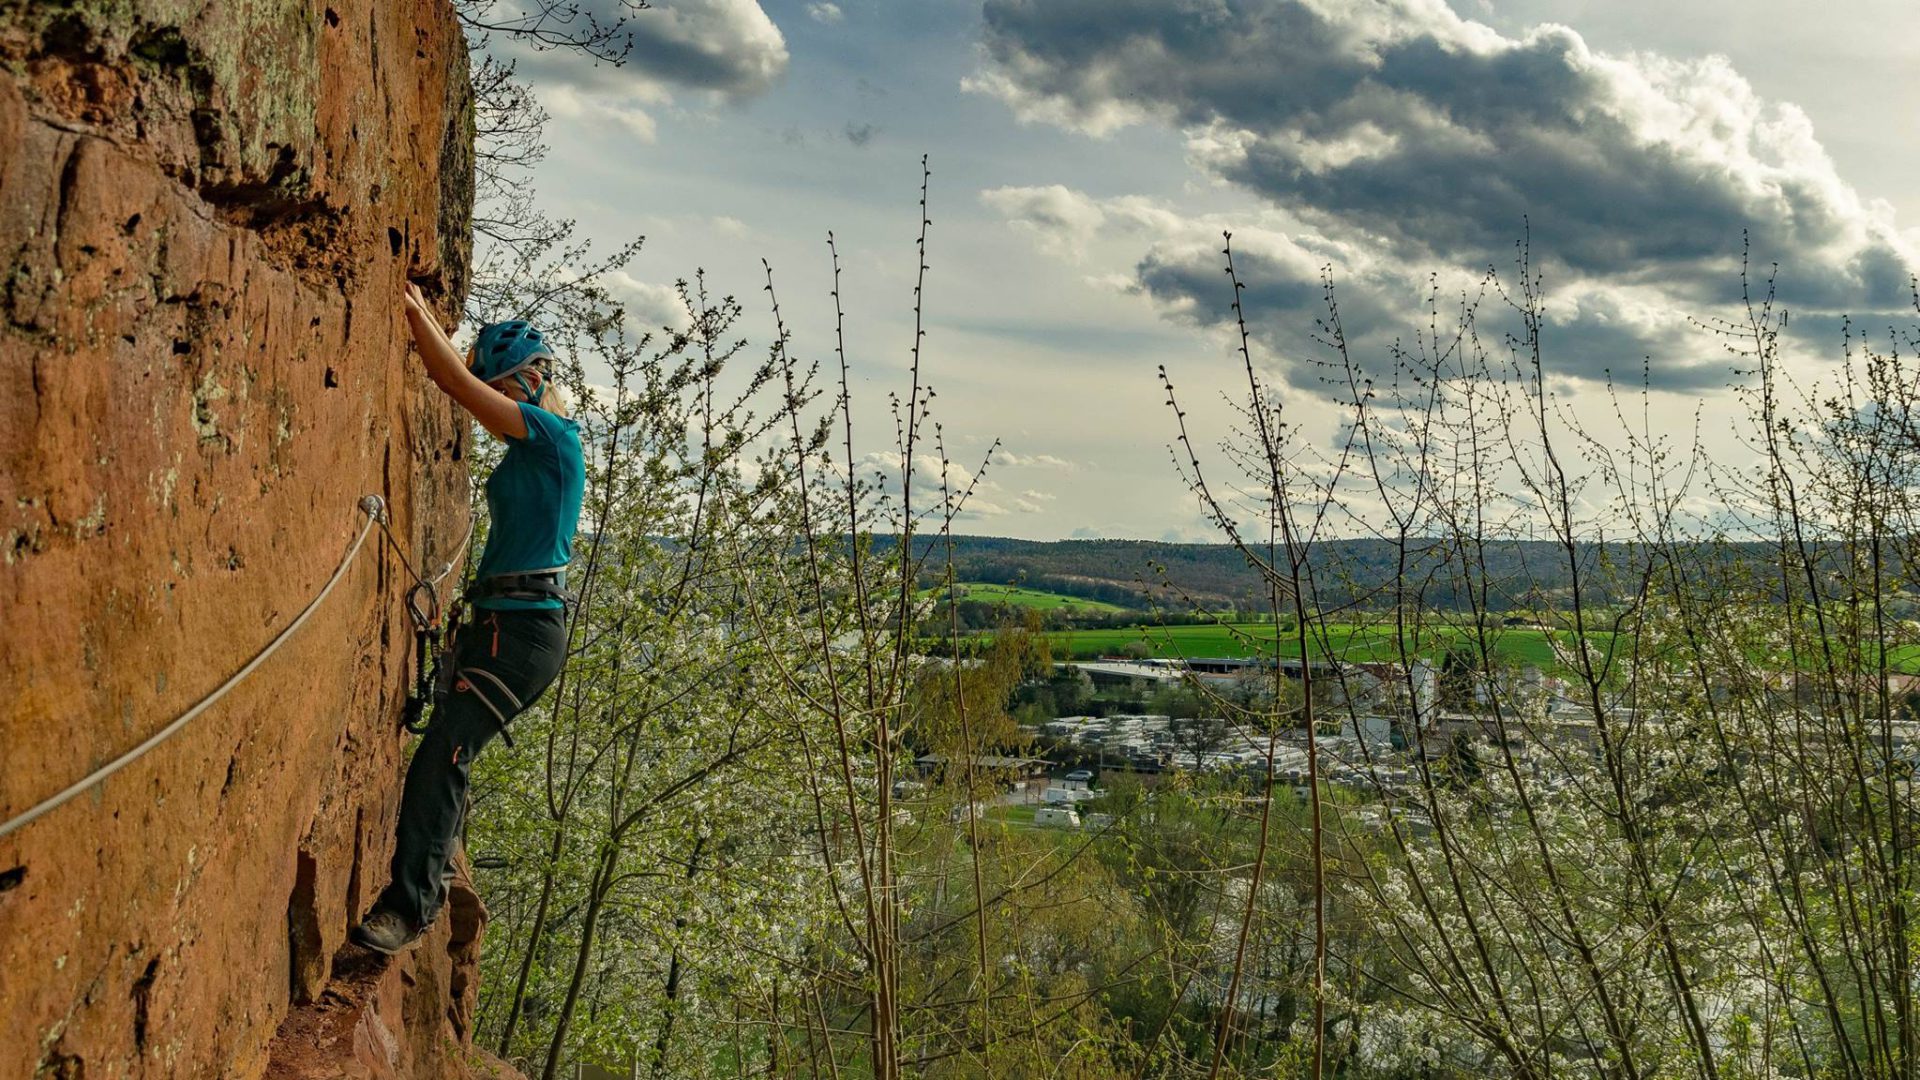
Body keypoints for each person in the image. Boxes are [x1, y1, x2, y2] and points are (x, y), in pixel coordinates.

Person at [352, 283, 585, 954]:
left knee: (443, 758)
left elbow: (454, 385)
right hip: (500, 623)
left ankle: (409, 911)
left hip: (525, 637)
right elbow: (467, 388)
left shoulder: (553, 436)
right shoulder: (530, 443)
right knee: (446, 751)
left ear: (535, 376)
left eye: (505, 384)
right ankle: (424, 890)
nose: (498, 398)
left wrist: (414, 314)